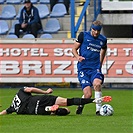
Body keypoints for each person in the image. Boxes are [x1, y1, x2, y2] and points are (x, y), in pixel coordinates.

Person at [72, 20, 107, 115]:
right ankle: (81, 104)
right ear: (91, 28)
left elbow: (104, 49)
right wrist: (77, 57)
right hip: (83, 68)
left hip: (95, 68)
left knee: (97, 84)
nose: (96, 32)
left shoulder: (103, 39)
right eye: (94, 30)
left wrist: (100, 63)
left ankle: (98, 110)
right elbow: (74, 48)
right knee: (88, 95)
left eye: (98, 31)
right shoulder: (83, 35)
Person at [0, 87, 111, 116]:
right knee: (69, 101)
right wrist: (45, 92)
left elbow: (5, 111)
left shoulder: (13, 107)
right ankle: (93, 100)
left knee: (64, 111)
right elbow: (30, 89)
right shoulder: (21, 91)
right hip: (41, 99)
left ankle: (52, 110)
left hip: (35, 110)